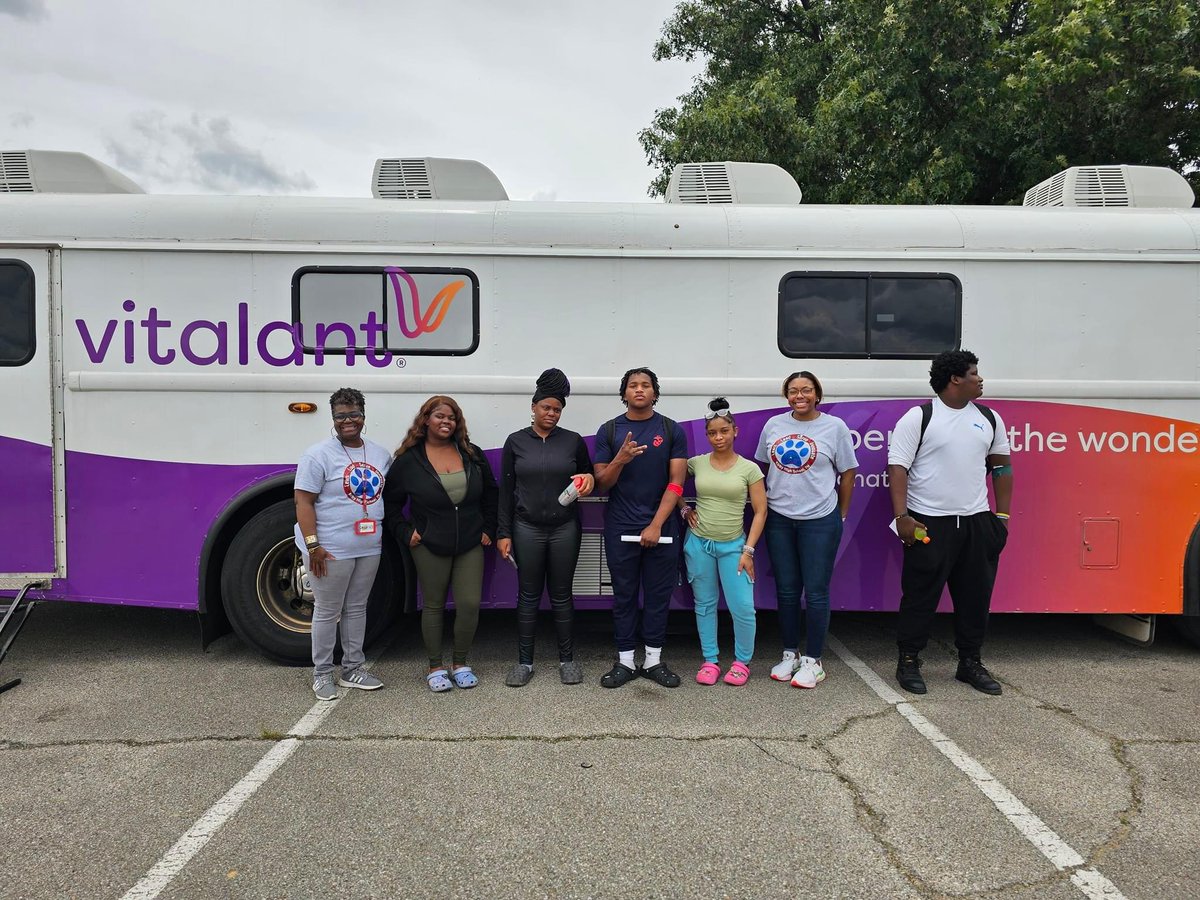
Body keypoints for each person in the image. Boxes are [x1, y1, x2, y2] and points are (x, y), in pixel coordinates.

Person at [887, 350, 1013, 696]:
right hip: (929, 524)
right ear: (955, 379)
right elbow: (898, 467)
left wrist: (1001, 518)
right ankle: (909, 661)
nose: (980, 379)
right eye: (974, 373)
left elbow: (1002, 467)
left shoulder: (989, 418)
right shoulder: (920, 417)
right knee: (920, 597)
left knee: (975, 598)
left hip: (976, 523)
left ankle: (969, 663)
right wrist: (902, 517)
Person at [383, 396, 498, 693]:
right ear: (426, 420)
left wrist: (488, 528)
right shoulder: (409, 460)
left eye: (452, 418)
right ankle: (435, 667)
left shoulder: (472, 454)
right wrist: (405, 531)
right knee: (433, 605)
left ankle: (460, 663)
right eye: (439, 416)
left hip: (471, 541)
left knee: (470, 604)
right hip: (428, 544)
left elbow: (491, 494)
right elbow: (391, 503)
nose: (446, 422)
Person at [757, 371, 858, 689]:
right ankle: (790, 654)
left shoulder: (834, 427)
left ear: (817, 394)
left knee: (815, 592)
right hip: (779, 519)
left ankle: (814, 662)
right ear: (786, 395)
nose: (799, 395)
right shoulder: (774, 425)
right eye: (793, 390)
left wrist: (840, 514)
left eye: (806, 390)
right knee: (786, 591)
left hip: (820, 520)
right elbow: (763, 467)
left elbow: (848, 472)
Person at [496, 369, 595, 687]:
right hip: (526, 528)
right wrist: (504, 532)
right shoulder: (515, 442)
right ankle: (524, 663)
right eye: (546, 408)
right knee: (527, 596)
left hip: (564, 528)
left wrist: (589, 480)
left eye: (557, 409)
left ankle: (567, 660)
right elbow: (505, 491)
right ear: (534, 407)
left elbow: (588, 476)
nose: (551, 413)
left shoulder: (573, 441)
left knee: (563, 595)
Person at [593, 367, 689, 688]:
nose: (639, 390)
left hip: (661, 528)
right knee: (624, 596)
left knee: (658, 596)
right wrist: (620, 459)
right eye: (632, 385)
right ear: (624, 393)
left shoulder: (671, 430)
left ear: (654, 392)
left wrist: (656, 525)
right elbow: (602, 483)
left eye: (645, 385)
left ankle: (653, 661)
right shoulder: (608, 431)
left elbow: (676, 484)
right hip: (621, 527)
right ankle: (623, 662)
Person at [294, 388, 391, 700]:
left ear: (363, 415)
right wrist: (313, 546)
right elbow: (303, 502)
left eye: (354, 414)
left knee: (357, 607)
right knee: (327, 610)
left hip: (368, 546)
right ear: (333, 418)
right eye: (341, 416)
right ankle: (322, 674)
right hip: (330, 548)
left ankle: (352, 669)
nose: (348, 421)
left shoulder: (380, 454)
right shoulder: (317, 455)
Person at [681, 398, 767, 686]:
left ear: (735, 431)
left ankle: (742, 662)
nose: (718, 437)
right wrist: (684, 508)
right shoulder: (696, 463)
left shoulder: (749, 469)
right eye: (712, 433)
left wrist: (749, 550)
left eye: (724, 431)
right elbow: (670, 482)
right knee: (704, 604)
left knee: (742, 607)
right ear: (706, 435)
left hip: (734, 547)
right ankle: (710, 660)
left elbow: (760, 511)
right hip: (699, 544)